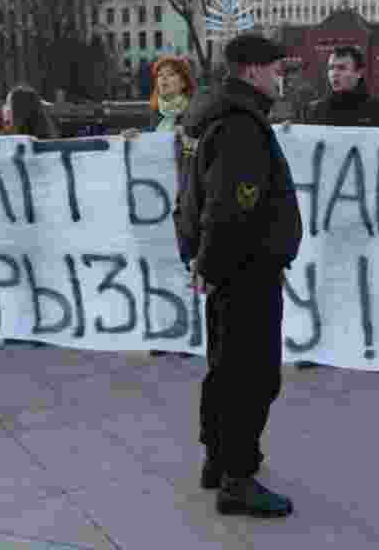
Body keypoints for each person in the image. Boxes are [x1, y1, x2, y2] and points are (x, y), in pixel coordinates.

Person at [177, 33, 303, 518]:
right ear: (251, 71)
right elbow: (231, 204)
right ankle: (238, 478)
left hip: (229, 267)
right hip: (247, 268)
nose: (282, 77)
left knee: (225, 367)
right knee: (253, 375)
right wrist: (211, 261)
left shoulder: (220, 119)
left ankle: (218, 459)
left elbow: (195, 200)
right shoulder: (241, 127)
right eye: (277, 69)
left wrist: (202, 260)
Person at [290, 45, 379, 369]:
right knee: (327, 280)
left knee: (373, 281)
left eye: (342, 68)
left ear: (359, 72)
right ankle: (320, 346)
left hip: (369, 212)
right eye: (331, 68)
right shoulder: (315, 111)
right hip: (329, 213)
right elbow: (300, 156)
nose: (335, 74)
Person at [123, 55, 199, 359]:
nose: (164, 81)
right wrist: (135, 140)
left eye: (170, 75)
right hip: (159, 203)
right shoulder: (156, 117)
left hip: (187, 197)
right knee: (161, 265)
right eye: (160, 76)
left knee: (187, 263)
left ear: (184, 81)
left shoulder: (195, 114)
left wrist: (188, 139)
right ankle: (168, 329)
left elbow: (204, 147)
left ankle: (191, 331)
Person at [0, 84, 58, 346]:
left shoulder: (39, 143)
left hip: (35, 219)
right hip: (12, 217)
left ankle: (39, 325)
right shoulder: (5, 139)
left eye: (8, 103)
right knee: (17, 273)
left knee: (35, 272)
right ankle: (21, 324)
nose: (3, 108)